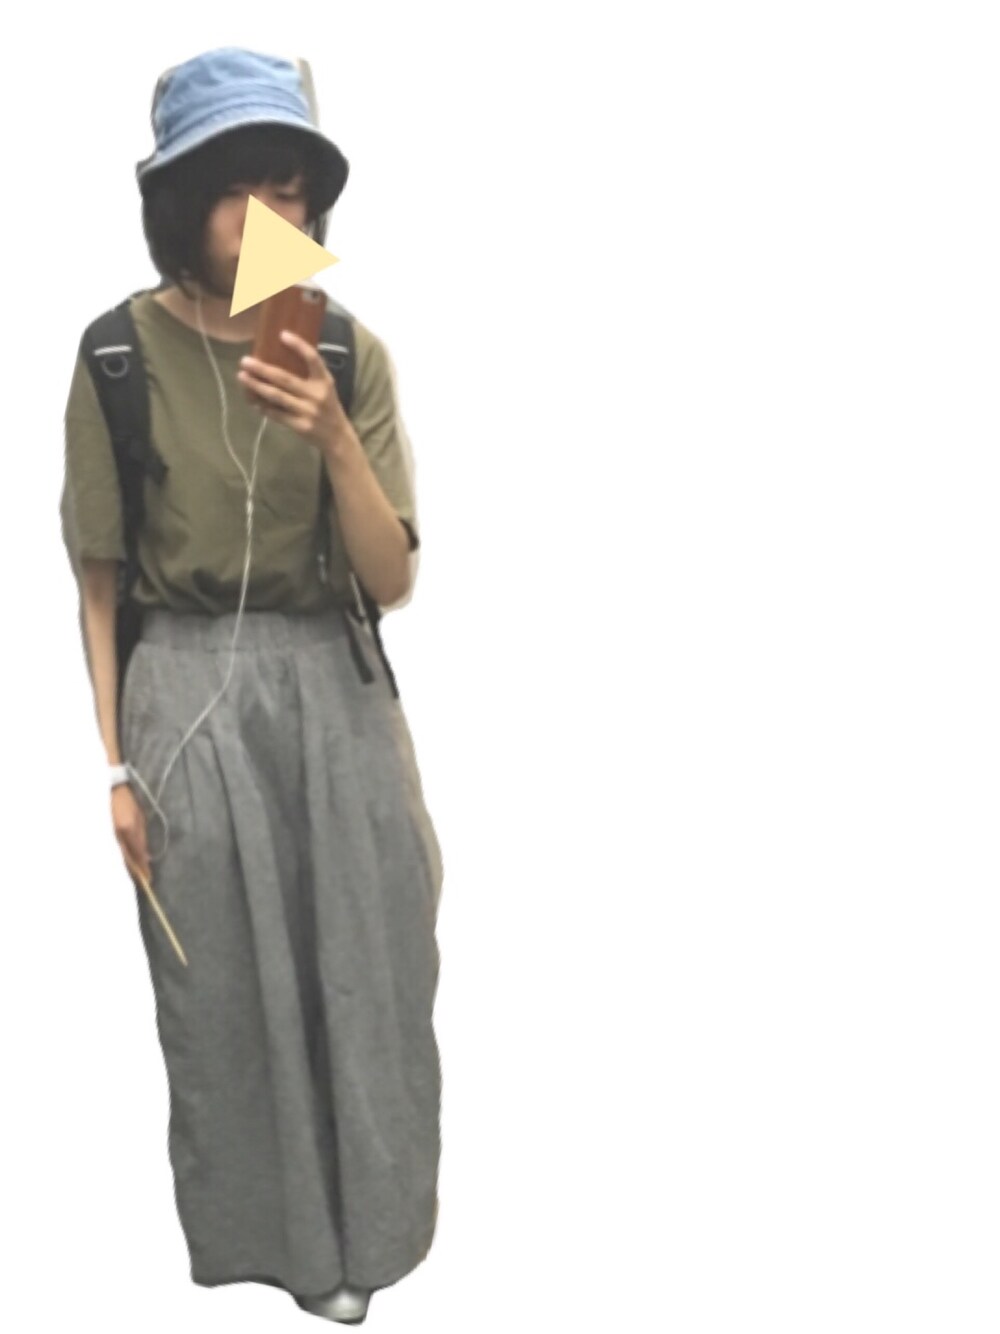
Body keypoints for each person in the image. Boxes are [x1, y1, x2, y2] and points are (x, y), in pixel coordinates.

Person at [59, 47, 444, 1326]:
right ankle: (266, 1247)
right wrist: (115, 767)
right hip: (181, 690)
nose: (270, 217)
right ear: (183, 199)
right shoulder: (117, 356)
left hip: (333, 682)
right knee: (223, 984)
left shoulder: (344, 348)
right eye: (239, 188)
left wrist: (333, 436)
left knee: (372, 964)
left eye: (290, 192)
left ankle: (371, 1236)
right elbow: (99, 579)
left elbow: (391, 578)